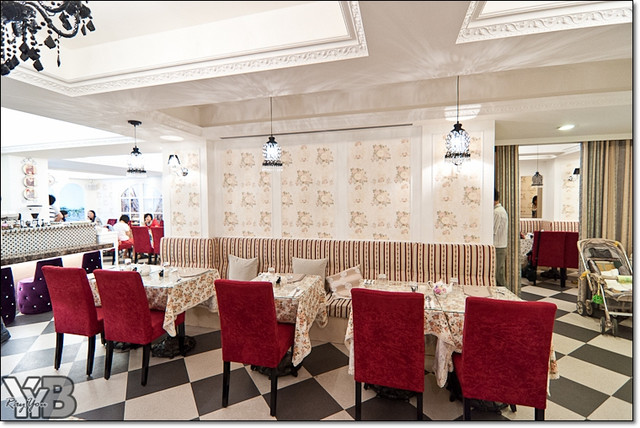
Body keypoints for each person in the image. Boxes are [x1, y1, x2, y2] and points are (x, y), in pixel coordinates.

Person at [493, 189, 508, 287]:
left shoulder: (497, 212)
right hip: (501, 245)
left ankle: (505, 294)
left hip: (498, 246)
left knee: (498, 274)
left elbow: (492, 230)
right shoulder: (500, 210)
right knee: (499, 272)